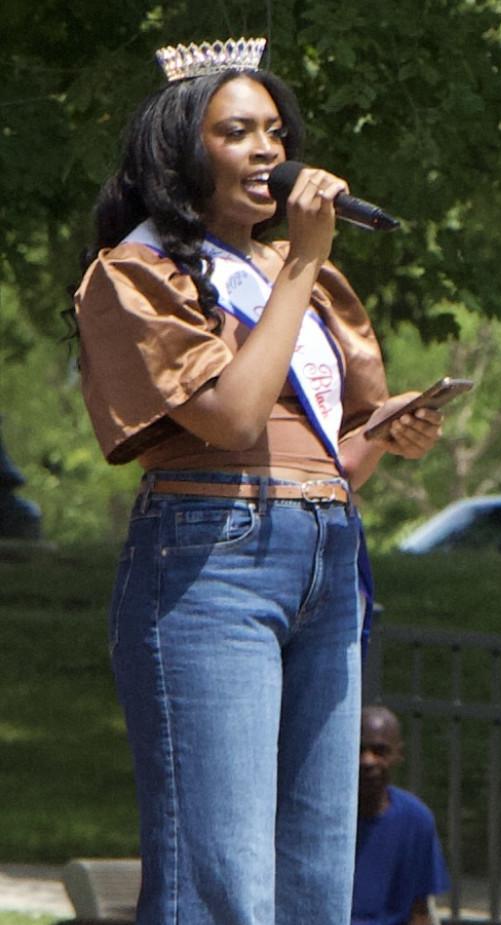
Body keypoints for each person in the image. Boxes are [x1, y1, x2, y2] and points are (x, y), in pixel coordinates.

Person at [74, 36, 443, 925]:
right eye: (237, 132)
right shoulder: (138, 273)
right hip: (209, 559)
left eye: (275, 132)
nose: (269, 152)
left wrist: (390, 434)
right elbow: (235, 419)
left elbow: (334, 447)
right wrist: (307, 259)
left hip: (323, 549)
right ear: (182, 151)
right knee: (224, 877)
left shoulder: (292, 275)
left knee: (318, 871)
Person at [352, 706, 450, 925]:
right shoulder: (319, 818)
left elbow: (420, 910)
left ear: (398, 755)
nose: (367, 761)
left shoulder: (416, 820)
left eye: (380, 751)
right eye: (359, 749)